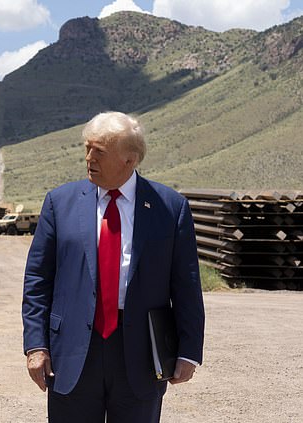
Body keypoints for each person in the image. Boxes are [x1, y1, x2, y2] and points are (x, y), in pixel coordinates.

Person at [22, 111, 205, 422]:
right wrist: (36, 346)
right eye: (87, 148)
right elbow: (38, 279)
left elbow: (186, 284)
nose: (89, 158)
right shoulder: (59, 203)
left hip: (140, 353)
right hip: (73, 352)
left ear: (129, 160)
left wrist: (188, 350)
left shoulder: (170, 207)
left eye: (99, 152)